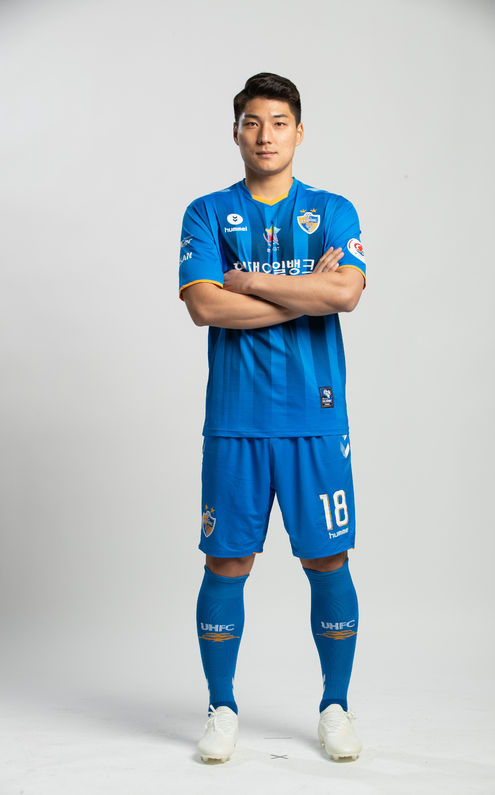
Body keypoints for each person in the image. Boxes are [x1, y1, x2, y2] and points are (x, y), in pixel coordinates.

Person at [178, 72, 366, 763]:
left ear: (299, 132)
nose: (266, 135)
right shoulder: (207, 212)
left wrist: (251, 281)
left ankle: (335, 706)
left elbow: (345, 294)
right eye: (252, 123)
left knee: (327, 558)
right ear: (236, 132)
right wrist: (303, 291)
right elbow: (205, 305)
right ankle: (221, 706)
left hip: (315, 417)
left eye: (279, 122)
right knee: (227, 559)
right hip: (236, 420)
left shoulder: (333, 209)